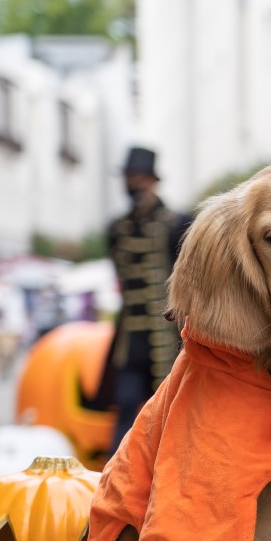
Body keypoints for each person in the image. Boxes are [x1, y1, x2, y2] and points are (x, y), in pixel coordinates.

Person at [98, 147, 191, 451]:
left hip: (165, 337)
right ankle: (115, 476)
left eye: (139, 177)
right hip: (129, 339)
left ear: (152, 180)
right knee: (124, 407)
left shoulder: (177, 223)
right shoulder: (117, 229)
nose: (133, 183)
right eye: (129, 177)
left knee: (170, 409)